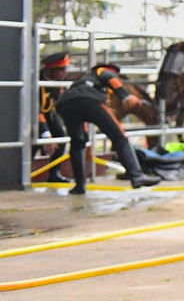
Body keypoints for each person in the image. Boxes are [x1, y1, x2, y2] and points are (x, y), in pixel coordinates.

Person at [54, 63, 161, 195]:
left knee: (77, 144)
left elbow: (80, 110)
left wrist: (86, 141)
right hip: (89, 100)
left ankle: (79, 185)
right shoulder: (102, 71)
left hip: (66, 104)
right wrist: (125, 96)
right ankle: (136, 176)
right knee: (119, 136)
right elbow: (109, 77)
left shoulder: (82, 82)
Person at [35, 51, 71, 182]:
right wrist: (46, 134)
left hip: (49, 113)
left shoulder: (57, 81)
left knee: (61, 136)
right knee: (35, 140)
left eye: (65, 68)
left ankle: (54, 174)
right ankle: (23, 173)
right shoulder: (36, 79)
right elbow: (35, 108)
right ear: (50, 69)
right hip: (33, 115)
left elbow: (58, 102)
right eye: (61, 69)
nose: (64, 72)